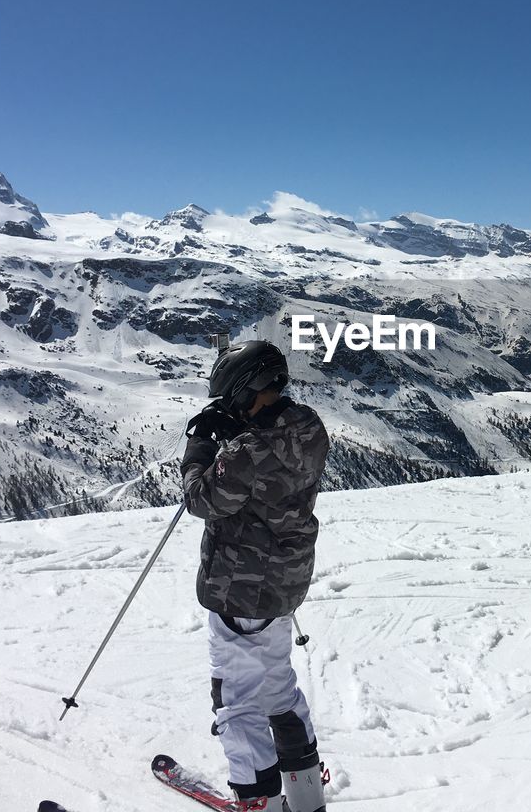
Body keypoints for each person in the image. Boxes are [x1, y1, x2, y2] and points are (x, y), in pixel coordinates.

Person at [179, 339, 330, 812]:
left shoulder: (246, 451)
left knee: (238, 702)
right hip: (284, 585)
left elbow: (201, 500)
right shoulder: (308, 426)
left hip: (240, 590)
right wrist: (242, 425)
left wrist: (202, 445)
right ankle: (306, 798)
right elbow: (271, 462)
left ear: (247, 390)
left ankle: (257, 800)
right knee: (278, 687)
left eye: (232, 397)